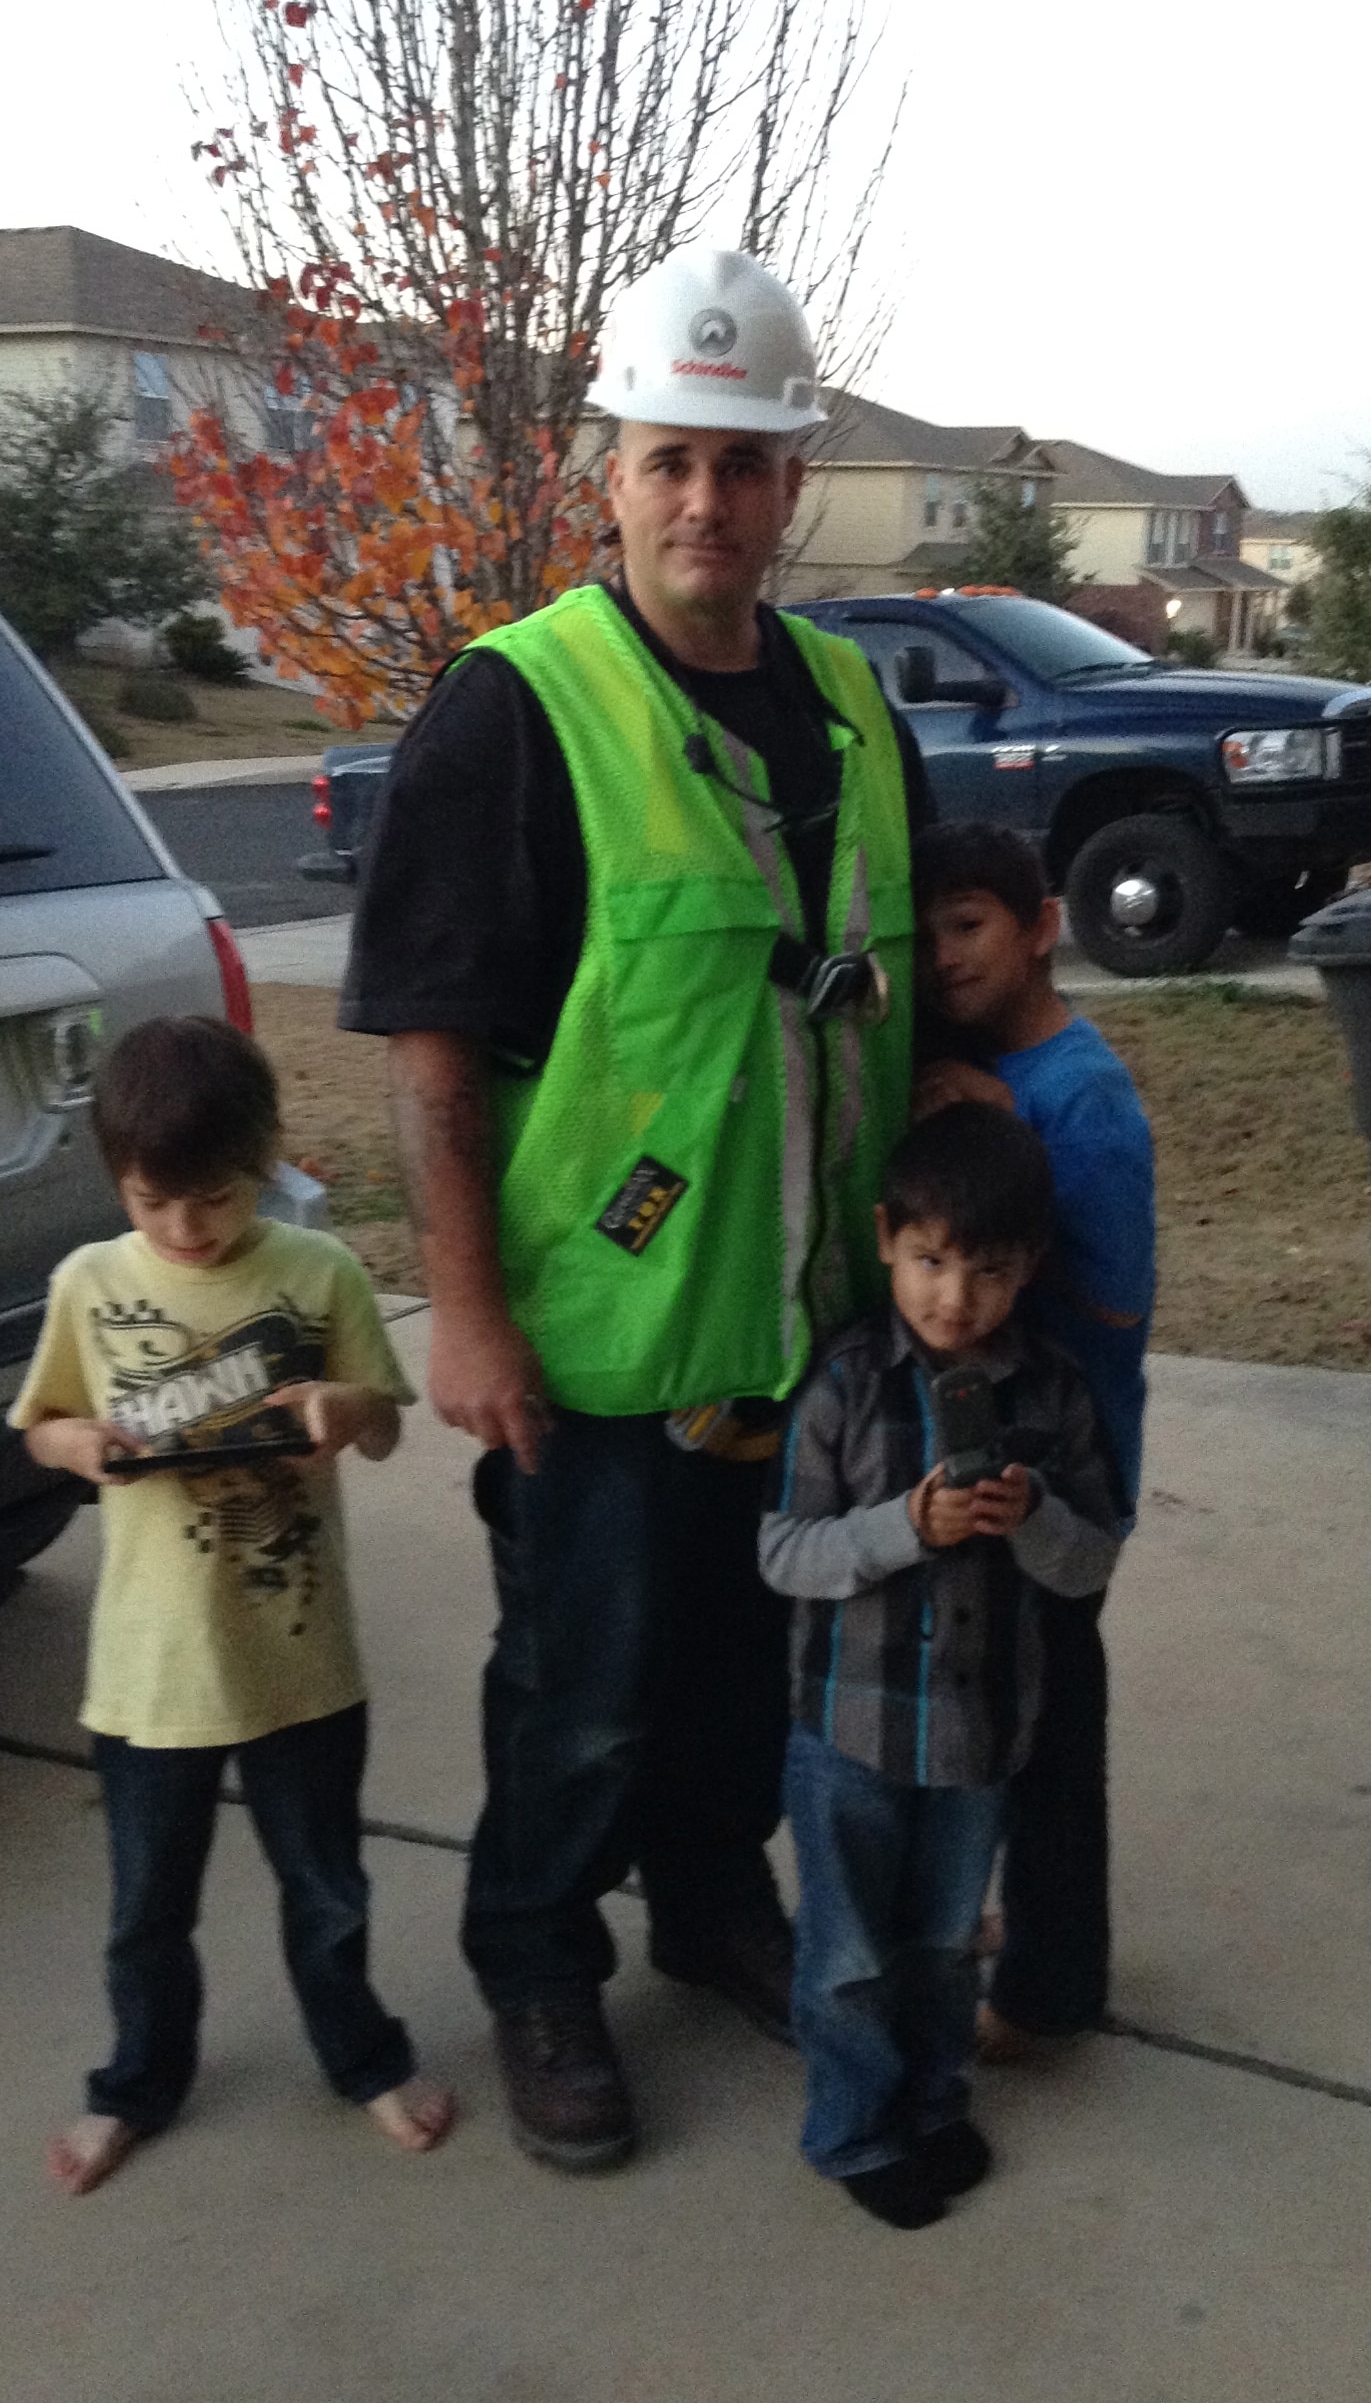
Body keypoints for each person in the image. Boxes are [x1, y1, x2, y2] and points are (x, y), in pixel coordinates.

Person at [341, 244, 931, 2171]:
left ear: (790, 483)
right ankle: (535, 1961)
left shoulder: (853, 709)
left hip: (813, 1332)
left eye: (744, 465)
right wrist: (471, 1316)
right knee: (581, 1687)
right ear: (609, 468)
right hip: (597, 1346)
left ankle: (709, 1904)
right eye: (671, 459)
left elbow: (895, 1006)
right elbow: (435, 1047)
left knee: (748, 1673)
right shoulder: (517, 711)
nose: (707, 502)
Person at [10, 1014, 455, 2194]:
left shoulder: (321, 1273)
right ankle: (136, 2085)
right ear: (119, 1181)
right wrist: (78, 1446)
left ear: (267, 1158)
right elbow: (39, 1423)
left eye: (212, 1199)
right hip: (150, 1674)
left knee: (327, 1887)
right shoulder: (90, 1284)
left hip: (302, 1661)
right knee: (146, 1908)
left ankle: (362, 2059)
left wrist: (340, 1413)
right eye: (153, 1201)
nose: (185, 1230)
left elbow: (385, 1419)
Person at [760, 1104, 1122, 2229]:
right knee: (847, 1953)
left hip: (978, 1734)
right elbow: (783, 1554)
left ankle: (932, 2098)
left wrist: (1031, 1517)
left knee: (941, 1942)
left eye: (987, 1271)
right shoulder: (846, 1385)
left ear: (1030, 1270)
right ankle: (853, 2126)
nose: (953, 1298)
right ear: (884, 1241)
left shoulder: (1050, 1393)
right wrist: (903, 1526)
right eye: (927, 1261)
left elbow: (1088, 1559)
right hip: (848, 1737)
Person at [912, 822, 1155, 2056]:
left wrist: (1008, 1138)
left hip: (1070, 1465)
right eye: (930, 932)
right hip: (993, 1468)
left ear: (1041, 926)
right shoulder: (965, 1063)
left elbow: (1112, 1301)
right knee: (1000, 1711)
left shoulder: (1081, 1096)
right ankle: (1033, 1922)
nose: (945, 956)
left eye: (970, 927)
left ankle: (1055, 1985)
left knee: (1055, 1734)